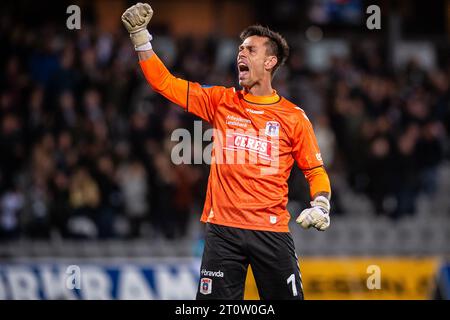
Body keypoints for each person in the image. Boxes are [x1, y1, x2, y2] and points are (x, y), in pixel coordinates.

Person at [121, 2, 331, 300]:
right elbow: (164, 83)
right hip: (223, 232)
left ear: (270, 62)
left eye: (250, 50)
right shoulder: (221, 101)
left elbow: (315, 170)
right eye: (239, 50)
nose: (240, 54)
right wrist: (140, 37)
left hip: (270, 231)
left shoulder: (293, 117)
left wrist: (321, 204)